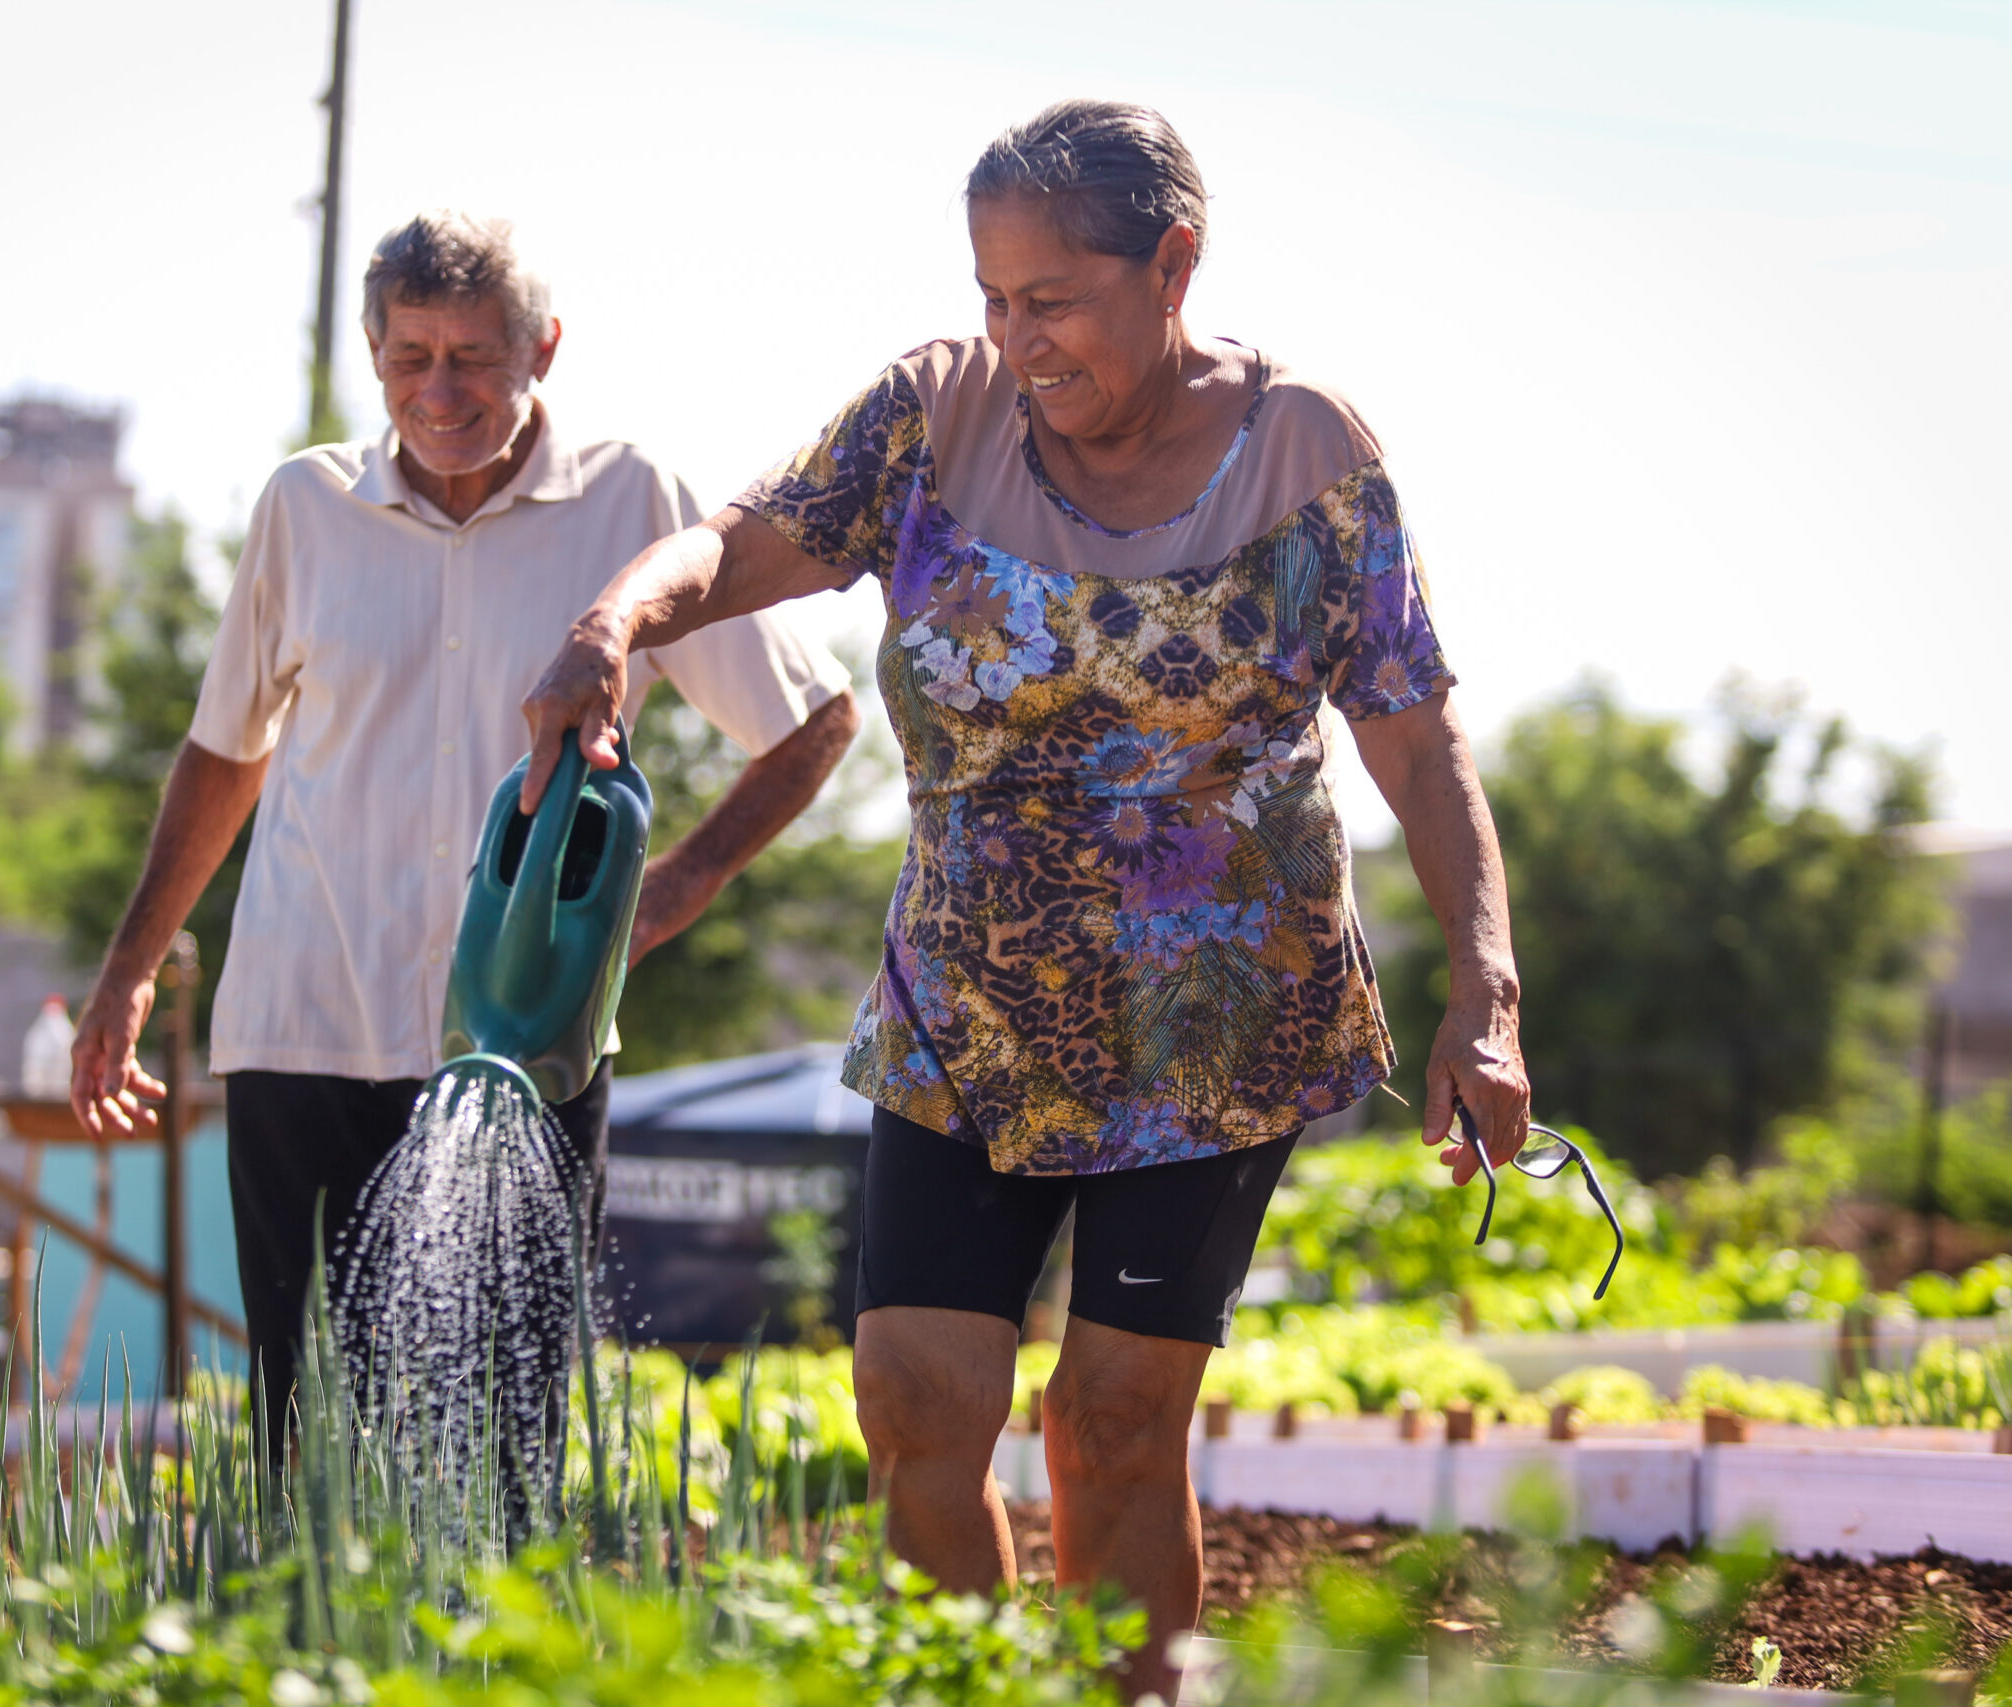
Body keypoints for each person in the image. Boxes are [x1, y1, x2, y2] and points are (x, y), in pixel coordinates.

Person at [521, 101, 1529, 1699]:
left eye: (1050, 297)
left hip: (1210, 1025)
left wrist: (1486, 979)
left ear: (1173, 262)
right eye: (994, 295)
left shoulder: (1309, 453)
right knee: (918, 1402)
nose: (1016, 335)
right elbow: (734, 545)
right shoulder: (937, 413)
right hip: (964, 1006)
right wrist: (614, 619)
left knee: (1112, 1421)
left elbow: (1412, 729)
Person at [68, 210, 860, 1431]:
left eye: (473, 357)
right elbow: (225, 753)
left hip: (523, 1042)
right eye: (408, 358)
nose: (439, 391)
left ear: (542, 347)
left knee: (505, 1441)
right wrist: (127, 975)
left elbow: (816, 719)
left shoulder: (633, 501)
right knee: (309, 1434)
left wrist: (669, 897)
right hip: (305, 1029)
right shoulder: (303, 506)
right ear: (375, 356)